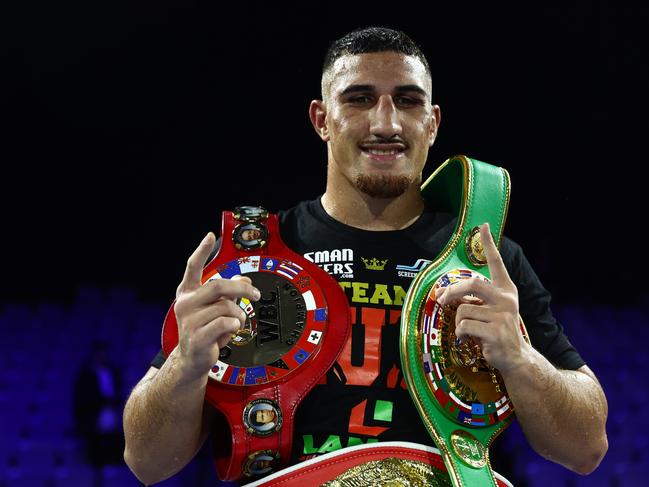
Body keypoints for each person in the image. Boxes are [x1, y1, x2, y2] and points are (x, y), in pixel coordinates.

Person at [123, 26, 608, 485]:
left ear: (432, 123)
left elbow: (586, 448)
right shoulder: (252, 259)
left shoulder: (485, 261)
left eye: (408, 101)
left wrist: (520, 360)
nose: (385, 122)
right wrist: (185, 364)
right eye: (358, 99)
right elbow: (147, 461)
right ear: (321, 119)